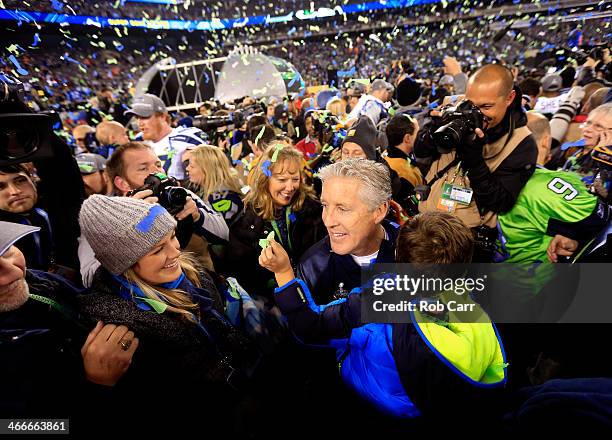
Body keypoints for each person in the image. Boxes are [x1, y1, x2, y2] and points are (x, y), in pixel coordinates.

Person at [259, 211, 507, 421]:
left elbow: (309, 327)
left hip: (378, 401)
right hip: (433, 403)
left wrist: (283, 273)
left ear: (397, 256)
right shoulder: (470, 300)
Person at [77, 196, 259, 423]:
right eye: (156, 250)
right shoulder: (119, 328)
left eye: (172, 237)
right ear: (124, 265)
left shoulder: (192, 273)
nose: (175, 252)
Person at [0, 220, 137, 419]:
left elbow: (86, 298)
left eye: (5, 250)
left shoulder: (36, 279)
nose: (14, 272)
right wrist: (98, 383)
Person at [415, 64, 538, 260]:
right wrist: (432, 133)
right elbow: (420, 152)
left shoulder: (522, 143)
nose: (476, 113)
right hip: (426, 225)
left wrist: (474, 161)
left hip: (467, 241)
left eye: (486, 107)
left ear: (509, 98)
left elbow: (501, 202)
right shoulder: (453, 106)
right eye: (471, 104)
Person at [78, 142, 229, 287]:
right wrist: (128, 227)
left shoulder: (177, 194)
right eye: (143, 168)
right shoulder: (103, 217)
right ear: (122, 183)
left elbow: (224, 234)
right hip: (146, 303)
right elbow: (89, 277)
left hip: (201, 285)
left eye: (158, 165)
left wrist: (198, 216)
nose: (156, 172)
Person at [225, 144, 325, 299]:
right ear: (266, 180)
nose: (290, 187)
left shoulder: (313, 210)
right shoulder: (245, 221)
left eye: (295, 179)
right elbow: (240, 273)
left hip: (314, 292)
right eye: (282, 179)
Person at [296, 159, 399, 303]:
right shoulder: (312, 267)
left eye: (342, 209)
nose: (328, 221)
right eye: (325, 205)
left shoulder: (416, 250)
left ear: (379, 211)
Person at [125, 93, 207, 180]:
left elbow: (208, 175)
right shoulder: (138, 143)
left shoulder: (187, 137)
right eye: (137, 118)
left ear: (162, 116)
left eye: (144, 117)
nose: (140, 123)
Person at [185, 144, 244, 225]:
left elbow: (220, 235)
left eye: (191, 166)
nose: (187, 168)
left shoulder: (221, 198)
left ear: (207, 170)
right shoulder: (207, 190)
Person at [383, 113, 424, 208]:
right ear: (407, 138)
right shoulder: (403, 174)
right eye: (418, 133)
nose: (420, 137)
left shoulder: (385, 155)